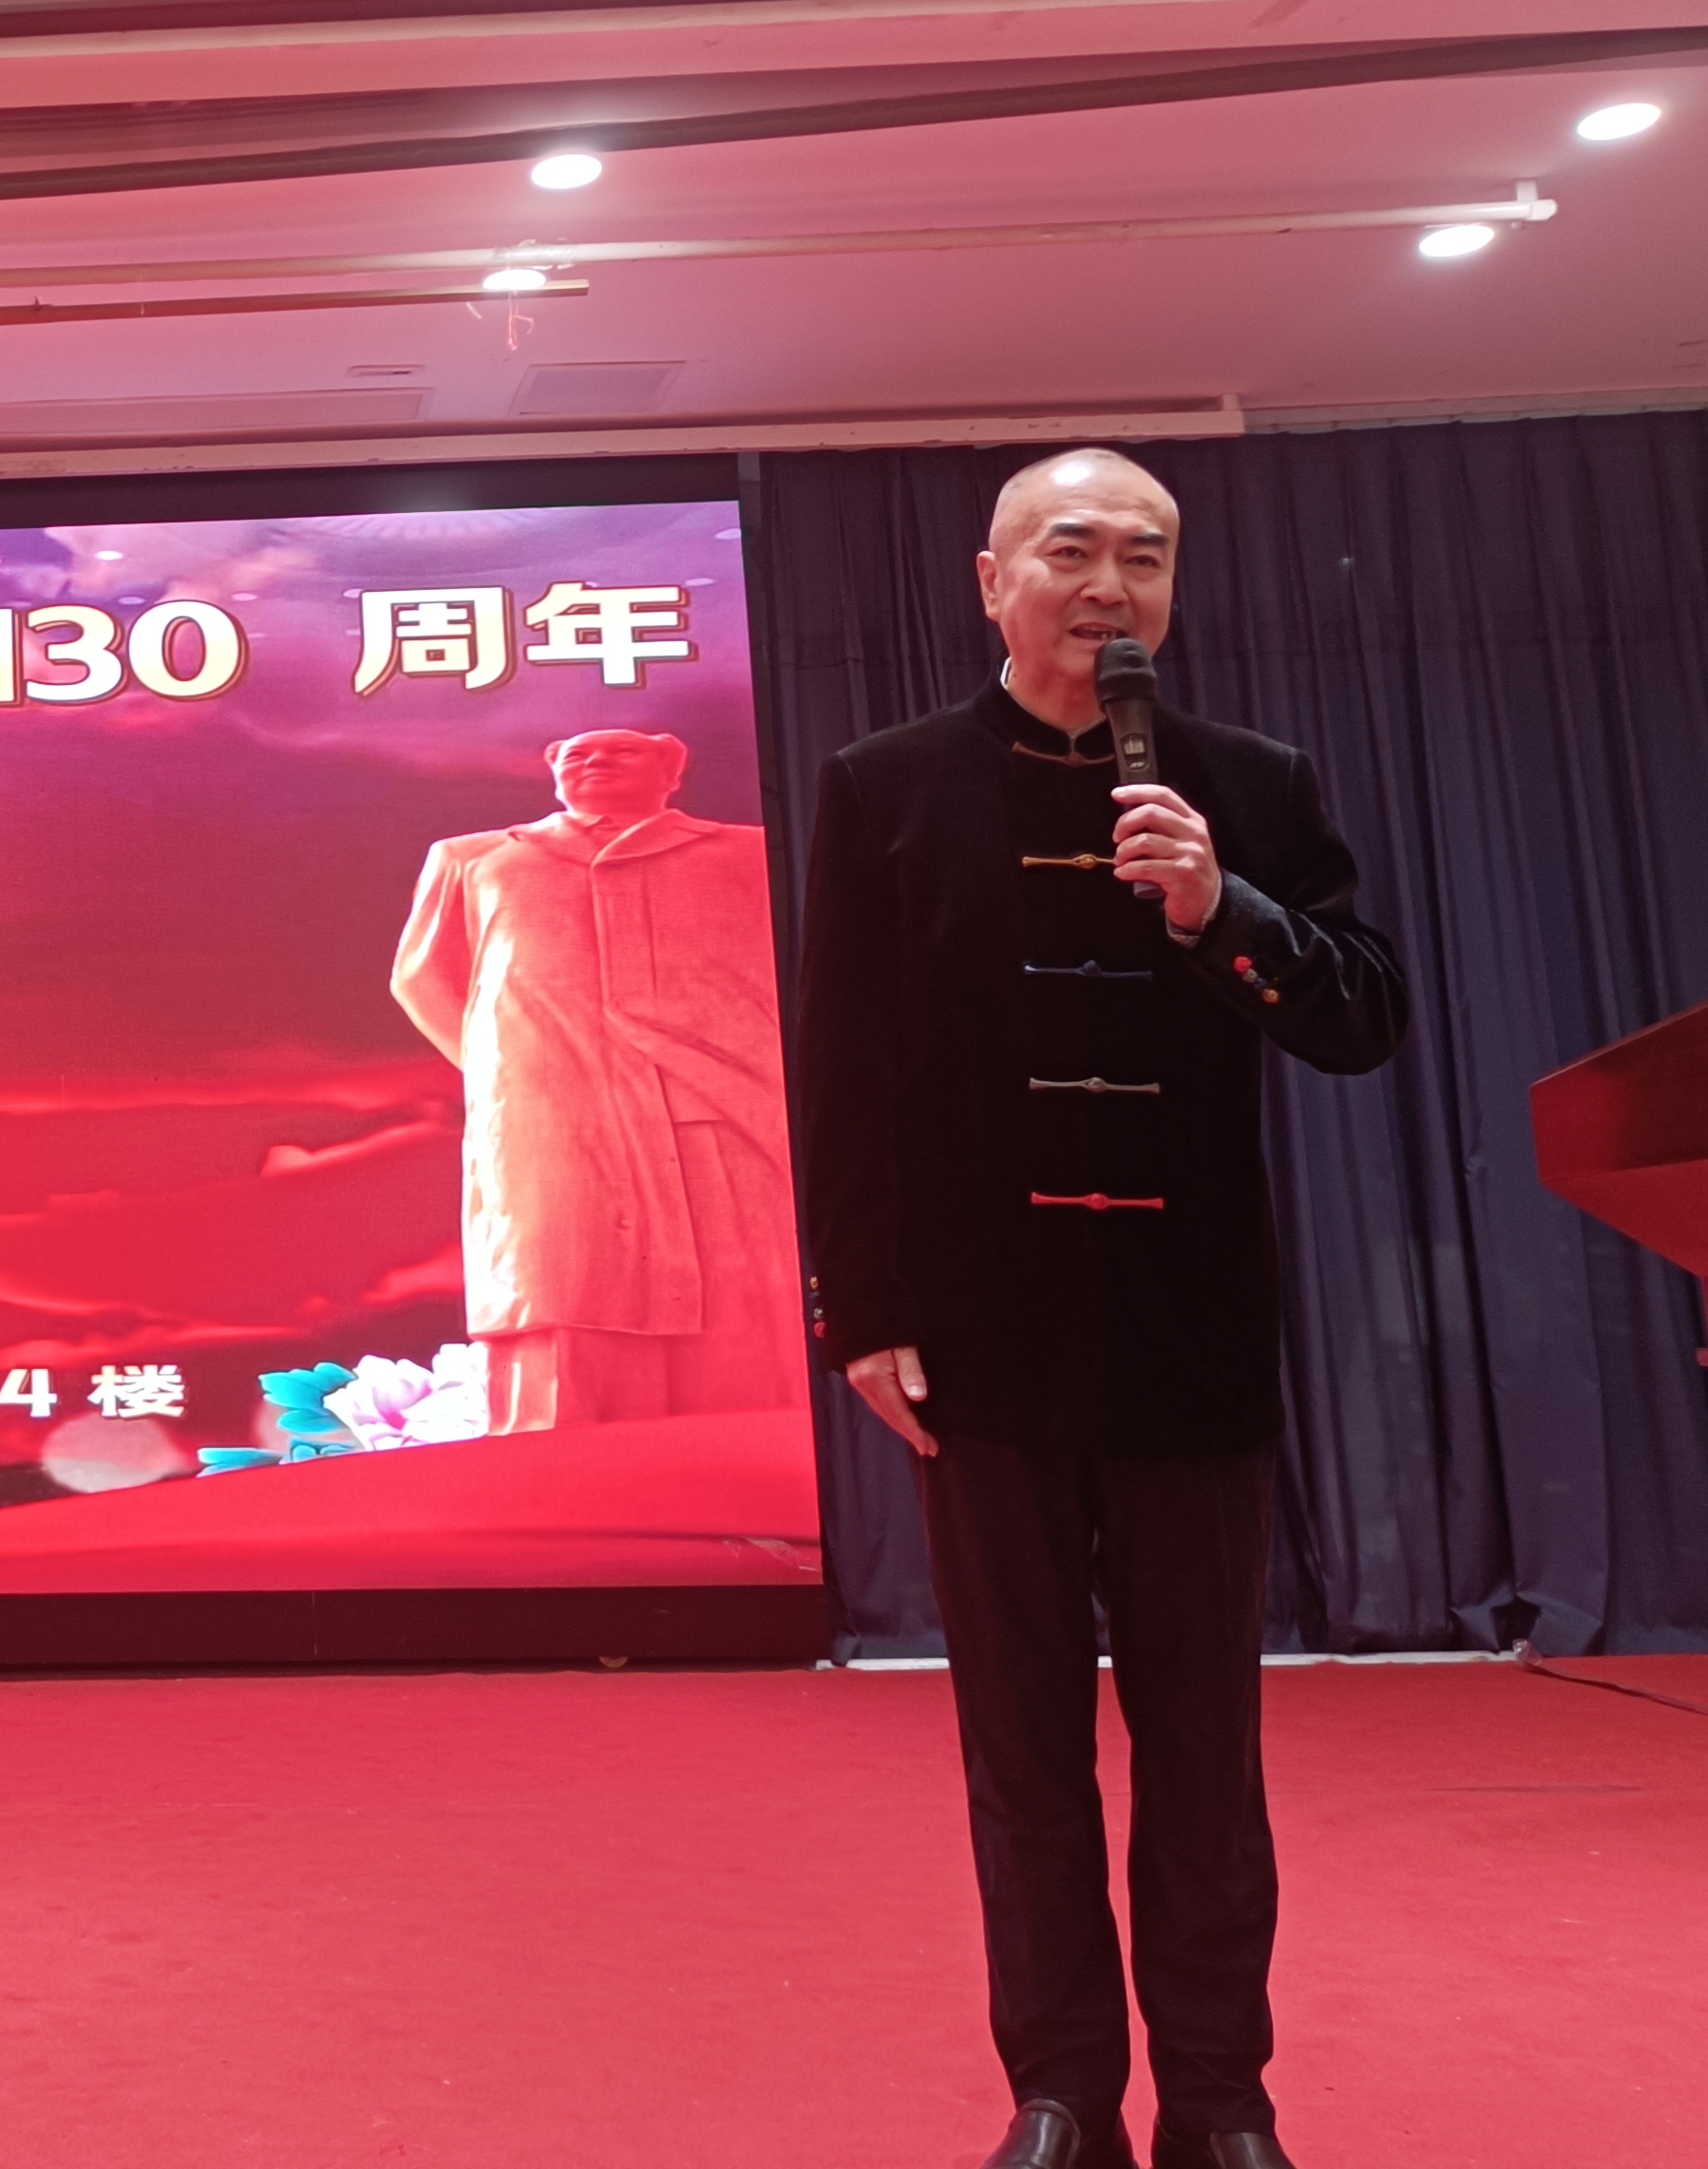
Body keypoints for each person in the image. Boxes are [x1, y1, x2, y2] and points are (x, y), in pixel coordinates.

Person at [793, 448, 1406, 2169]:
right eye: (1071, 549)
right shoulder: (885, 785)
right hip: (980, 1342)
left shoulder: (1250, 784)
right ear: (993, 583)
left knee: (1207, 1750)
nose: (1109, 584)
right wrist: (862, 1306)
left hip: (1187, 1332)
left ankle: (1221, 2102)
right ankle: (1060, 2093)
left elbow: (1364, 1017)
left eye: (1146, 555)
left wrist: (1223, 907)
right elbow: (841, 1064)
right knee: (1024, 1749)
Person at [390, 726, 805, 1429]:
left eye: (622, 752)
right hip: (549, 1119)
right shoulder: (474, 859)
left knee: (748, 1296)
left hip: (725, 1104)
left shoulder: (750, 853)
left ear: (671, 770)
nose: (597, 762)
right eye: (578, 755)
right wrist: (521, 1067)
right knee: (562, 1284)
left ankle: (748, 1461)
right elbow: (424, 979)